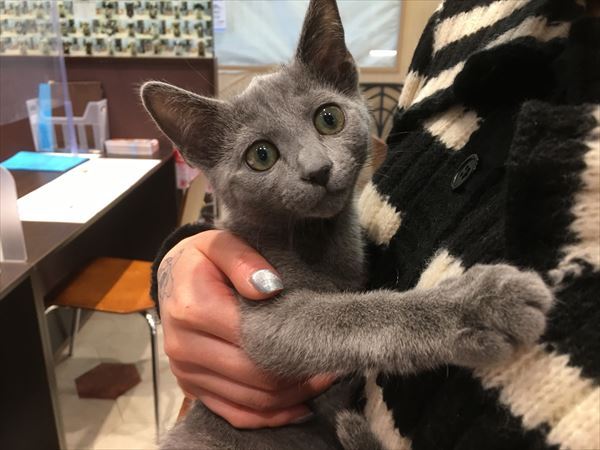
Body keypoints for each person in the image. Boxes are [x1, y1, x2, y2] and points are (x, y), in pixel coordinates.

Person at [151, 0, 599, 447]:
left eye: (328, 119)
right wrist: (181, 259)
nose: (315, 164)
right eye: (261, 155)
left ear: (344, 76)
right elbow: (272, 328)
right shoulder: (462, 23)